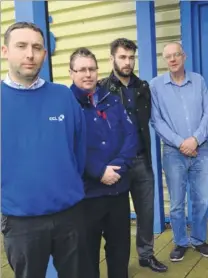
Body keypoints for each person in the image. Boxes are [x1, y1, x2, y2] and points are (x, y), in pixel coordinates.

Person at [1, 22, 88, 278]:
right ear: (5, 51)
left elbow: (79, 150)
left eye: (37, 47)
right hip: (21, 220)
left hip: (70, 215)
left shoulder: (63, 96)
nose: (30, 54)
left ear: (45, 54)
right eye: (21, 46)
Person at [98, 38, 168, 272]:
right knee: (117, 219)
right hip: (116, 163)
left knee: (146, 212)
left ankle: (146, 255)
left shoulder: (143, 87)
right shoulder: (102, 89)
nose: (127, 62)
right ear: (112, 59)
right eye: (122, 57)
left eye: (131, 58)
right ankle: (118, 263)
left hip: (142, 159)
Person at [69, 47, 138, 278]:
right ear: (71, 73)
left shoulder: (112, 99)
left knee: (120, 252)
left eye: (92, 69)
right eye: (82, 70)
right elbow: (69, 146)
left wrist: (117, 167)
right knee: (87, 256)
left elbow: (131, 135)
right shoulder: (67, 105)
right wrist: (99, 171)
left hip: (118, 190)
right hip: (88, 195)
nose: (88, 74)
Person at [150, 42, 208, 262]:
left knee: (202, 200)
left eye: (176, 54)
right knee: (177, 202)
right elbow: (156, 120)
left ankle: (198, 239)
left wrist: (195, 140)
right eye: (168, 56)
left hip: (201, 149)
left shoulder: (198, 81)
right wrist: (181, 143)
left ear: (184, 56)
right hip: (173, 152)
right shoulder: (156, 86)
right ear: (164, 59)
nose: (172, 59)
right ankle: (180, 242)